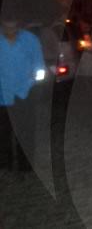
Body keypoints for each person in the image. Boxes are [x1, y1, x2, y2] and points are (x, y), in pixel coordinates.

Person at [0, 13, 45, 172]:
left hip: (25, 93)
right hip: (2, 95)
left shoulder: (31, 40)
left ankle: (26, 166)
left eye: (13, 25)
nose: (10, 28)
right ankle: (5, 164)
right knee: (4, 132)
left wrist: (32, 83)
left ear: (19, 23)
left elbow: (40, 68)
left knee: (25, 132)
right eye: (6, 25)